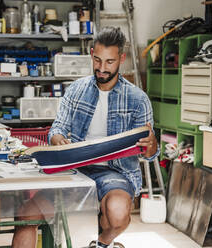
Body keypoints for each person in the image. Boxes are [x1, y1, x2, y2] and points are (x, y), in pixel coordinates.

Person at [12, 26, 159, 248]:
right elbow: (57, 128)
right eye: (97, 60)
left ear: (122, 58)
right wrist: (57, 138)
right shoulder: (75, 90)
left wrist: (151, 145)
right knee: (26, 214)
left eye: (109, 62)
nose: (102, 68)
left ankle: (100, 243)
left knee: (117, 215)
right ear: (91, 53)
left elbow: (149, 154)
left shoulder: (138, 99)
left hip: (115, 172)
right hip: (75, 170)